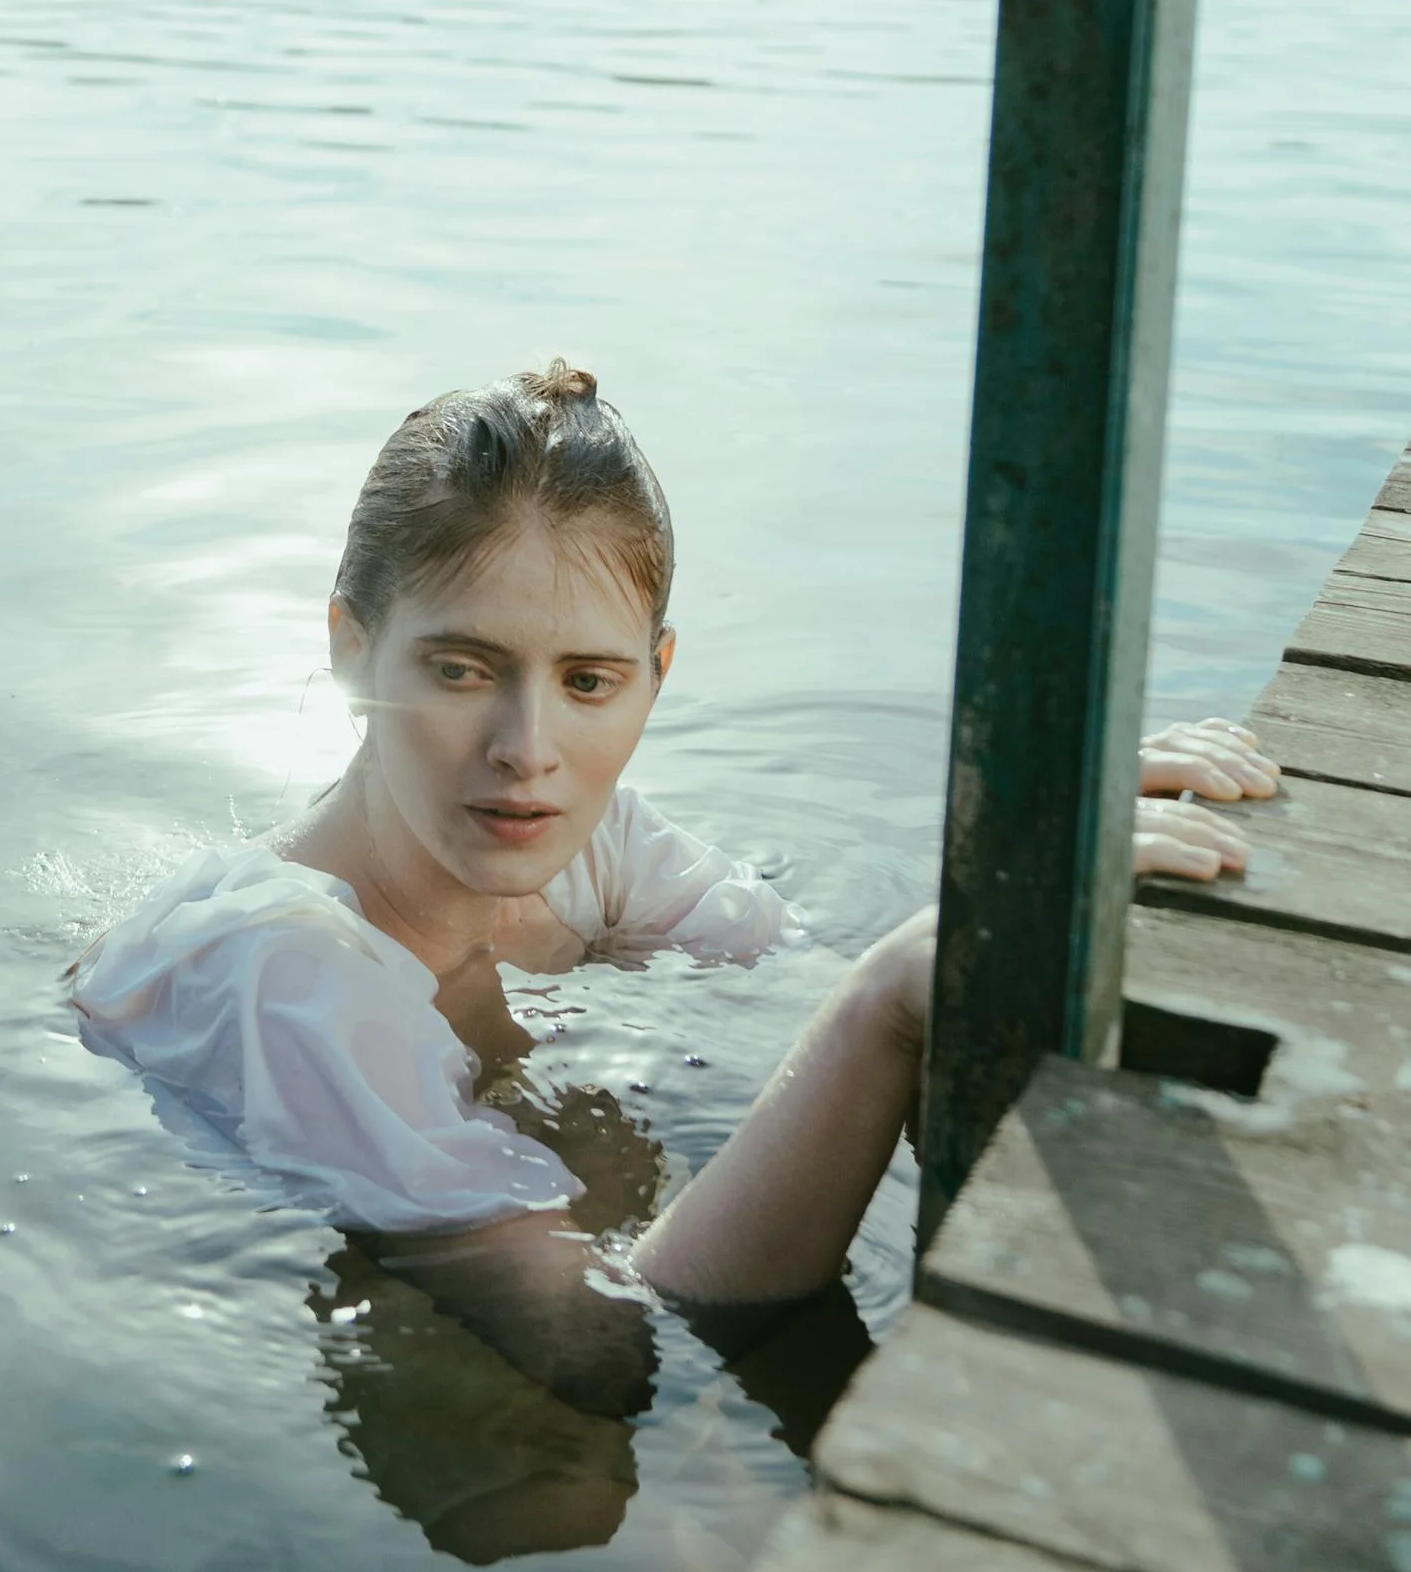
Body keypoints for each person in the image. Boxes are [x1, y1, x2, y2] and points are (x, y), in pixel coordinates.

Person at [73, 362, 1273, 1368]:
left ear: (654, 673)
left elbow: (789, 990)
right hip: (339, 1328)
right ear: (350, 648)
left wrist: (1026, 855)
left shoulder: (592, 845)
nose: (525, 752)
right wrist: (882, 1004)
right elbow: (599, 1341)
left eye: (586, 681)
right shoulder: (285, 972)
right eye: (459, 667)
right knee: (573, 1505)